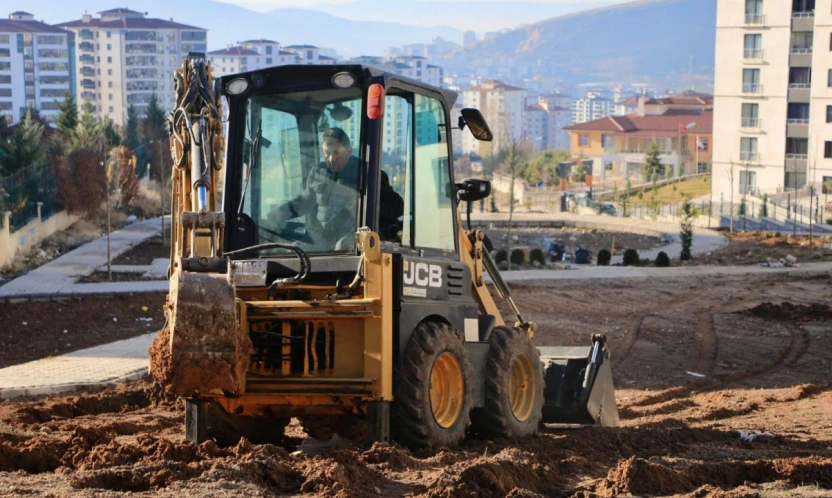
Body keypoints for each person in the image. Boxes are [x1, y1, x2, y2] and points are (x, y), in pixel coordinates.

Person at [269, 127, 403, 247]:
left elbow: (397, 205)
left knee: (342, 246)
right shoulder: (318, 172)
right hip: (323, 238)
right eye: (327, 153)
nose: (331, 159)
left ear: (349, 151)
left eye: (337, 153)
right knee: (291, 248)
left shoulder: (369, 173)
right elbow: (305, 200)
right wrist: (281, 212)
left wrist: (363, 208)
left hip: (355, 242)